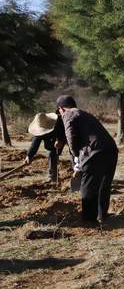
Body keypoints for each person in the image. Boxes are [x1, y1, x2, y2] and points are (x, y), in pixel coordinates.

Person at [55, 95, 119, 224]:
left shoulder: (68, 114)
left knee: (88, 187)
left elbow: (71, 138)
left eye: (59, 111)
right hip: (111, 149)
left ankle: (89, 221)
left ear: (61, 108)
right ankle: (102, 215)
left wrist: (76, 159)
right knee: (103, 185)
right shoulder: (84, 114)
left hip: (94, 152)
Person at [24, 112, 66, 182]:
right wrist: (29, 155)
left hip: (67, 137)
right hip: (52, 144)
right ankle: (53, 177)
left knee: (73, 153)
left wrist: (60, 140)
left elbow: (67, 132)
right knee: (52, 153)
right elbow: (35, 143)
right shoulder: (39, 128)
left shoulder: (59, 122)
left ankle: (77, 173)